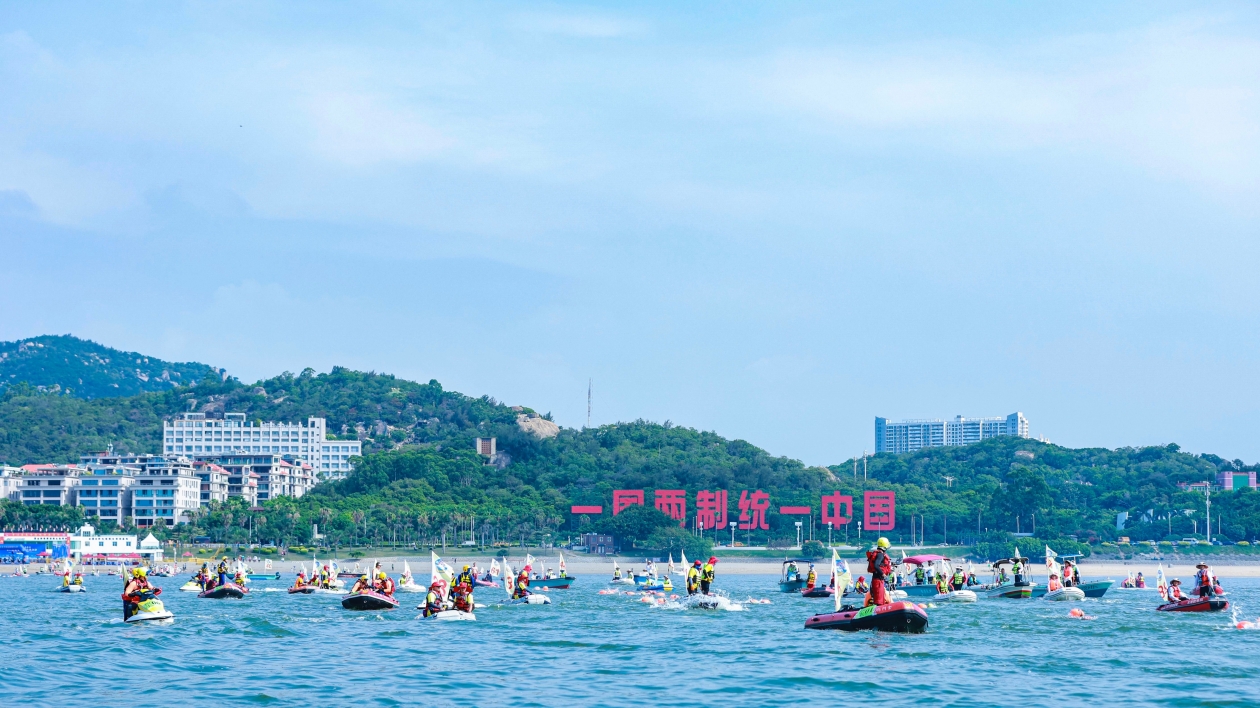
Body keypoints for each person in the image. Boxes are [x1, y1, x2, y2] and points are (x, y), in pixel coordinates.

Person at [864, 537, 892, 607]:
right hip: (877, 580)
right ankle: (877, 611)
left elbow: (881, 565)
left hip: (878, 580)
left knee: (880, 600)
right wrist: (883, 574)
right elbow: (876, 565)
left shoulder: (879, 554)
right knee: (878, 601)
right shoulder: (880, 554)